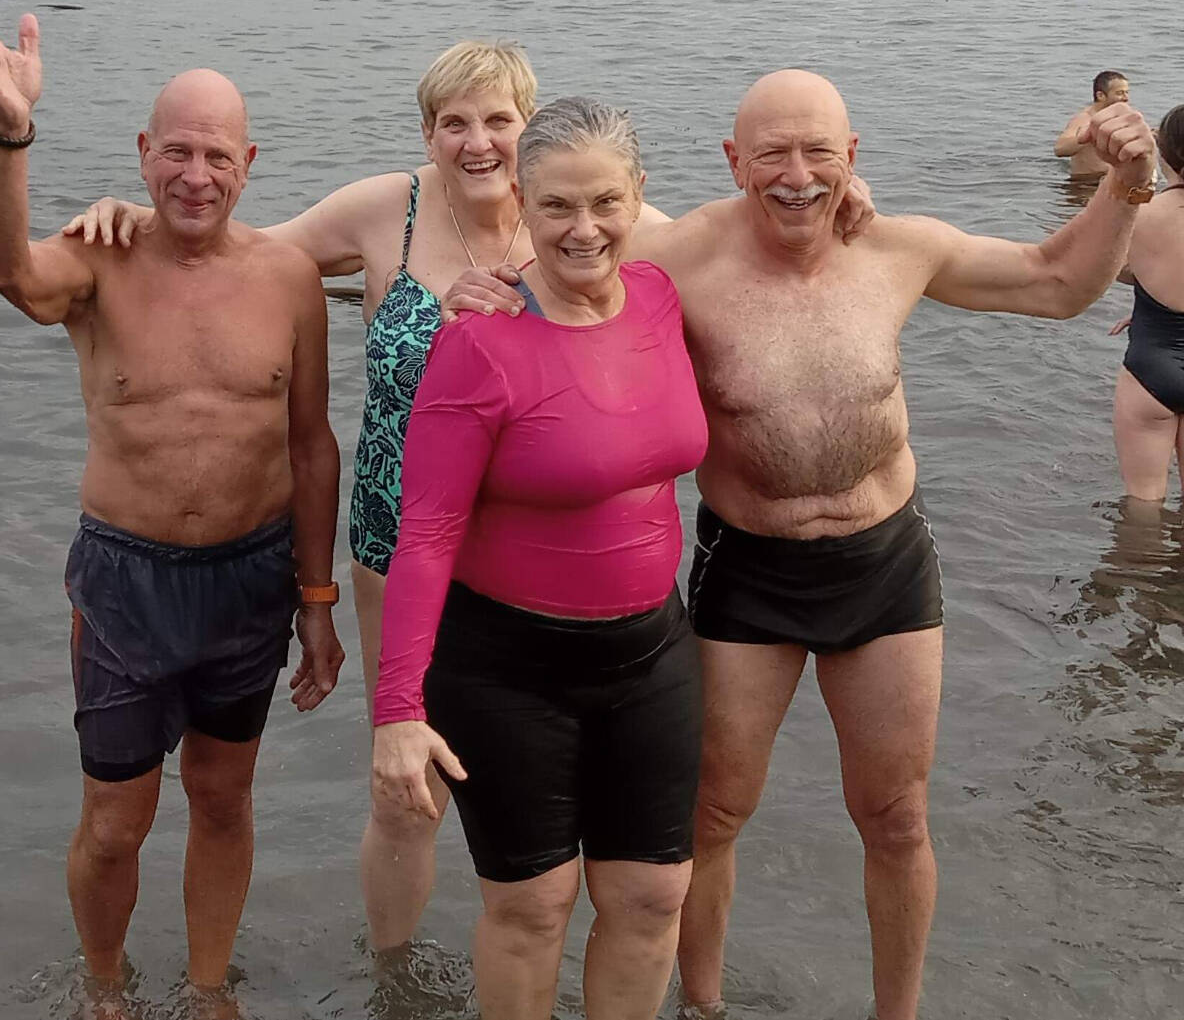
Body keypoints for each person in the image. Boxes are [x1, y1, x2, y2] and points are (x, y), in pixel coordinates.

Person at [62, 46, 876, 955]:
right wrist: (132, 218)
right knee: (408, 791)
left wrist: (833, 199)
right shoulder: (384, 210)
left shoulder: (595, 213)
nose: (477, 141)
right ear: (428, 132)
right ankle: (395, 976)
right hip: (397, 532)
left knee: (538, 794)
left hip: (530, 550)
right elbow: (225, 246)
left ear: (531, 133)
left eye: (498, 121)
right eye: (455, 121)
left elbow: (737, 240)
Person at [445, 68, 1156, 1020]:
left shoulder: (900, 247)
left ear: (853, 157)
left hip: (885, 565)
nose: (797, 175)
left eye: (820, 151)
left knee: (897, 817)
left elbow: (1061, 284)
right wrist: (486, 285)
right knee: (713, 817)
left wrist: (1128, 187)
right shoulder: (676, 258)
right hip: (750, 564)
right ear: (732, 161)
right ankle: (704, 1004)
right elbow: (570, 211)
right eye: (772, 153)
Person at [0, 5, 344, 1017]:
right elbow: (3, 270)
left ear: (247, 160)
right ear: (142, 152)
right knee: (115, 821)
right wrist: (9, 131)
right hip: (125, 580)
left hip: (249, 580)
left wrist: (318, 597)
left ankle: (209, 989)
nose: (194, 175)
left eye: (215, 154)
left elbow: (309, 444)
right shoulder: (99, 257)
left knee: (222, 796)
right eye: (175, 152)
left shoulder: (288, 277)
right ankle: (106, 987)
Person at [371, 96, 708, 1020]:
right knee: (531, 907)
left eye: (605, 201)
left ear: (638, 197)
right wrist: (398, 710)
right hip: (506, 669)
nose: (584, 227)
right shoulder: (479, 341)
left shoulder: (663, 298)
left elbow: (774, 220)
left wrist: (850, 198)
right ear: (521, 200)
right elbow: (426, 532)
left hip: (651, 654)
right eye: (556, 205)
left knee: (651, 896)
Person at [1108, 105, 1184, 501]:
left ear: (1165, 152)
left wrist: (1148, 308)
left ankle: (1137, 564)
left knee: (1143, 499)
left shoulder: (1142, 211)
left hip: (1151, 362)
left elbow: (1112, 270)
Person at [1055, 70, 1132, 178]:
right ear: (1100, 95)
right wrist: (1089, 134)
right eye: (1119, 93)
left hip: (1113, 181)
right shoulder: (1085, 119)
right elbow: (1060, 149)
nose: (1126, 98)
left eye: (1127, 92)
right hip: (1085, 184)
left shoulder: (1122, 117)